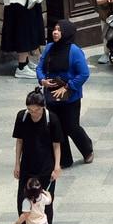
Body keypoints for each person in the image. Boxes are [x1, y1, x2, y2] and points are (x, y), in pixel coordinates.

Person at [36, 19, 92, 167]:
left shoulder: (74, 51)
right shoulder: (49, 48)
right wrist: (43, 81)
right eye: (55, 29)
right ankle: (64, 159)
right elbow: (40, 68)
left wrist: (68, 87)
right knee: (56, 127)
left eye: (59, 30)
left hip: (70, 97)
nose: (55, 32)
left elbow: (84, 73)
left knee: (71, 127)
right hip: (52, 95)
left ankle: (87, 150)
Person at [10, 90, 61, 224]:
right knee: (23, 200)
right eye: (30, 110)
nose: (33, 113)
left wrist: (57, 166)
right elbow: (19, 142)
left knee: (45, 202)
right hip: (27, 167)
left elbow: (56, 145)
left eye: (36, 110)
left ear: (43, 107)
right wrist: (17, 163)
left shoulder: (51, 119)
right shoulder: (22, 117)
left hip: (46, 167)